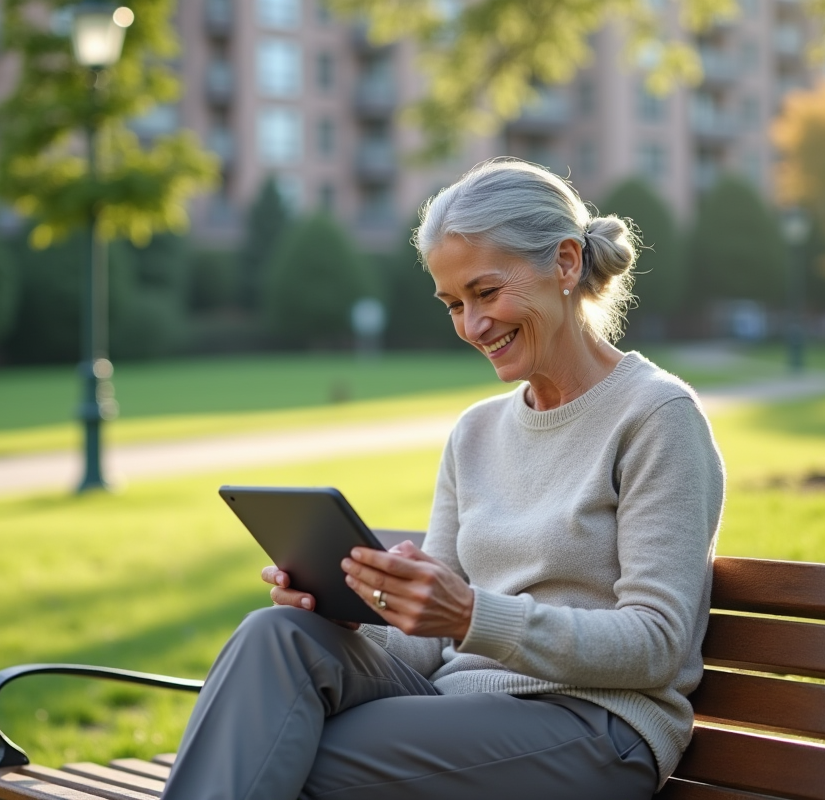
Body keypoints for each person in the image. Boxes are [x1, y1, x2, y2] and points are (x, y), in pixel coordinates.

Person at [160, 158, 725, 800]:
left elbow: (657, 643)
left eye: (486, 293)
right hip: (453, 707)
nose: (471, 326)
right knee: (277, 634)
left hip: (596, 727)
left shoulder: (656, 416)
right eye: (453, 304)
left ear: (566, 264)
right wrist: (354, 613)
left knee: (279, 750)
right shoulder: (476, 433)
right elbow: (428, 647)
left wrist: (470, 615)